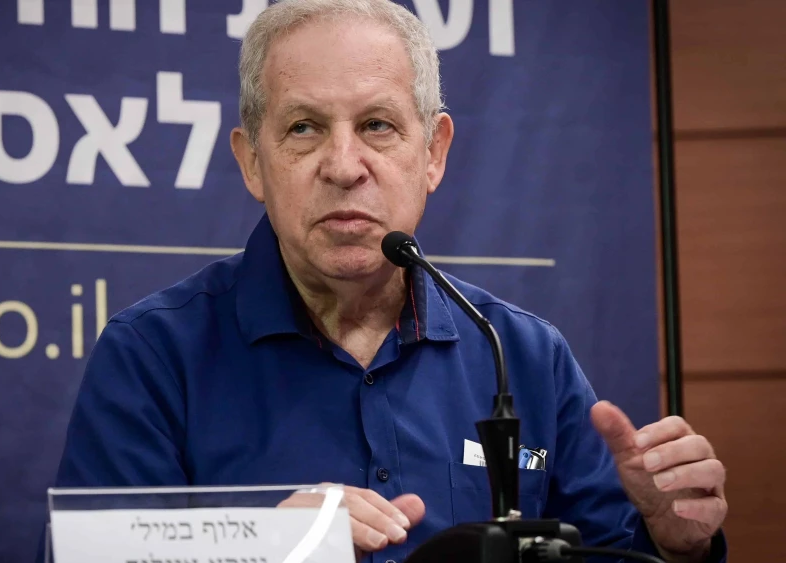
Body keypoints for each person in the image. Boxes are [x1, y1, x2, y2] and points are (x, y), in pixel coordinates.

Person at [43, 1, 728, 561]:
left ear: (433, 153)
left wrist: (674, 545)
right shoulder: (152, 355)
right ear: (253, 161)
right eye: (305, 128)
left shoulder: (523, 355)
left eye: (377, 125)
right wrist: (261, 547)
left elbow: (608, 554)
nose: (345, 165)